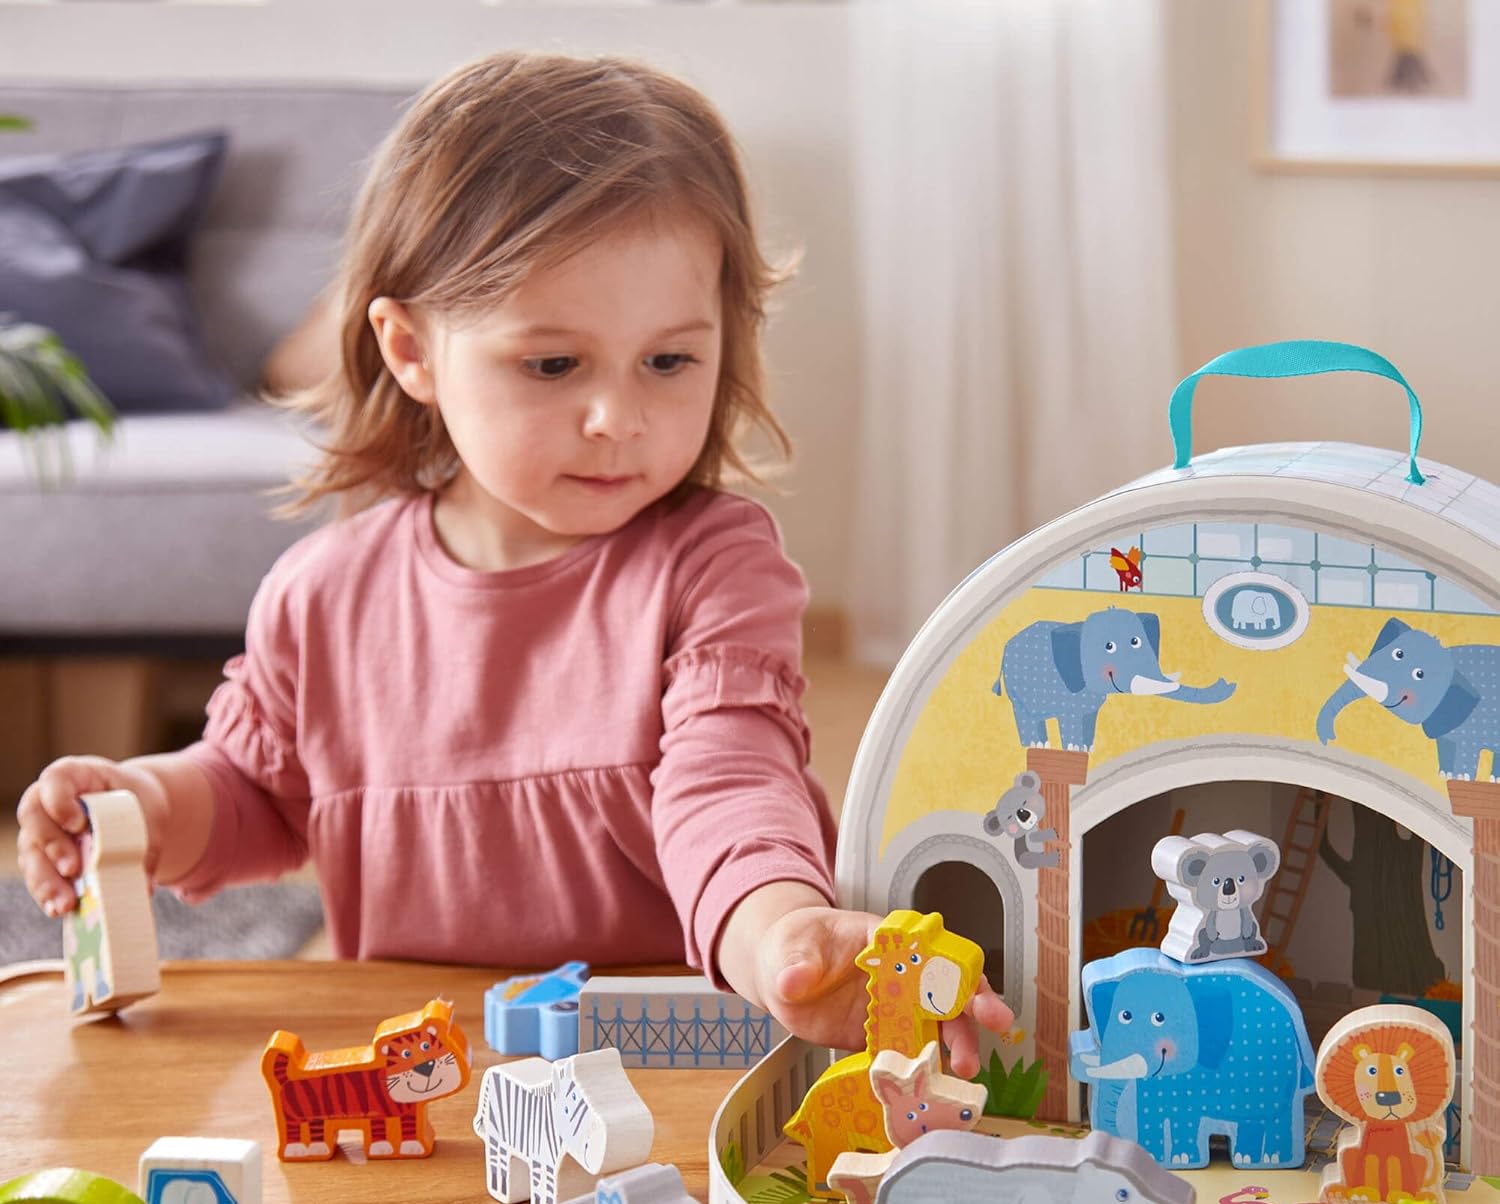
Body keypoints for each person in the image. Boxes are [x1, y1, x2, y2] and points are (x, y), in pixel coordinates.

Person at [16, 52, 1011, 1069]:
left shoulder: (714, 567)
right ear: (411, 351)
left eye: (669, 360)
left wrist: (779, 936)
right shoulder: (323, 596)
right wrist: (137, 806)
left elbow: (730, 786)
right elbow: (253, 798)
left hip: (668, 1064)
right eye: (552, 364)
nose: (618, 417)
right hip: (421, 1081)